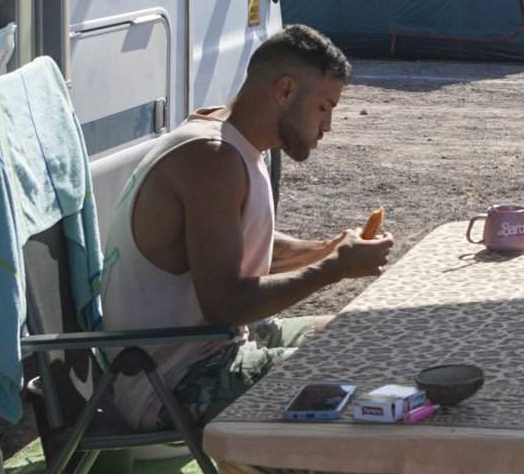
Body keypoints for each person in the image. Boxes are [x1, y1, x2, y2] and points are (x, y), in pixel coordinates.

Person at [104, 24, 394, 424]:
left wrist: (327, 247)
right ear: (286, 91)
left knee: (367, 336)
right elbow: (226, 304)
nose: (327, 127)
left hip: (218, 347)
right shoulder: (213, 158)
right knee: (357, 378)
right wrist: (334, 269)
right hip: (173, 382)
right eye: (324, 107)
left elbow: (239, 242)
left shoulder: (232, 139)